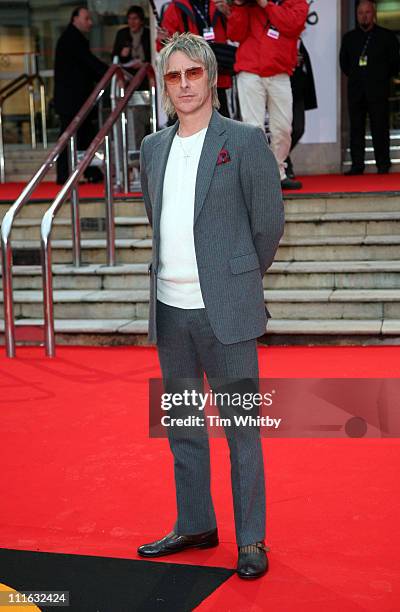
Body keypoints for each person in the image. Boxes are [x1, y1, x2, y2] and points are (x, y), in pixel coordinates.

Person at [137, 32, 284, 579]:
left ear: (211, 78)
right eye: (172, 76)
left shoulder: (244, 142)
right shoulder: (153, 148)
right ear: (164, 84)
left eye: (191, 74)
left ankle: (251, 540)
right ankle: (196, 523)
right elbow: (159, 220)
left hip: (226, 313)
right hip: (170, 312)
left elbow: (267, 224)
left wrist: (237, 279)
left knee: (242, 427)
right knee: (182, 425)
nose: (183, 85)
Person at [227, 0, 309, 190]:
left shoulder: (296, 2)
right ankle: (259, 175)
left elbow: (292, 25)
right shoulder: (248, 5)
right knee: (253, 128)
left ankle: (278, 171)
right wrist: (239, 5)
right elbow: (234, 34)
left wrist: (266, 5)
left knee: (283, 128)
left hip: (279, 72)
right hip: (250, 71)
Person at [340, 0, 400, 175]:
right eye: (360, 13)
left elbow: (395, 63)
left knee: (380, 128)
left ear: (373, 14)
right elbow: (344, 63)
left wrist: (380, 78)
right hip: (356, 90)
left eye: (367, 12)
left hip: (379, 90)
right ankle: (357, 165)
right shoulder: (349, 38)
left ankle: (383, 164)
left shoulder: (387, 37)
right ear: (357, 15)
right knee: (356, 128)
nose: (364, 16)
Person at [54, 6, 108, 184]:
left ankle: (91, 172)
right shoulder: (72, 38)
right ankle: (66, 175)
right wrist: (108, 73)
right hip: (72, 100)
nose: (90, 23)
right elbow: (89, 63)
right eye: (86, 19)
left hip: (76, 100)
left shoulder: (73, 38)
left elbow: (87, 65)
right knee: (70, 136)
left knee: (83, 135)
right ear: (75, 19)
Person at [157, 0, 232, 117]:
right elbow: (165, 48)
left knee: (222, 123)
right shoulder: (175, 7)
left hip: (217, 76)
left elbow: (236, 34)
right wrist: (163, 40)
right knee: (187, 120)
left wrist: (228, 14)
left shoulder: (219, 4)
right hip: (189, 77)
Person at [112, 5, 152, 148]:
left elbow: (153, 55)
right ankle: (137, 150)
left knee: (148, 116)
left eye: (135, 19)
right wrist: (123, 55)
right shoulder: (122, 34)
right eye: (129, 19)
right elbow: (115, 58)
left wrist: (143, 64)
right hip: (129, 79)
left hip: (147, 78)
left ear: (141, 20)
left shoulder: (148, 33)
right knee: (134, 119)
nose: (132, 22)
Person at [286, 38, 317, 179]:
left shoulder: (298, 41)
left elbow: (305, 68)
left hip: (297, 92)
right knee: (281, 130)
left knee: (298, 128)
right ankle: (284, 163)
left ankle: (281, 157)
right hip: (280, 90)